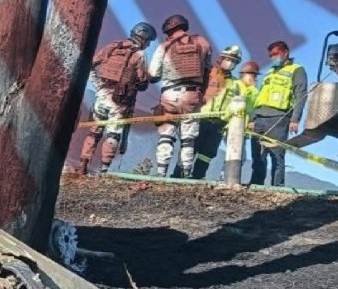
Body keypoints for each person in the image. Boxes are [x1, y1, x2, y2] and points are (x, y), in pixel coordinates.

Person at [78, 21, 155, 175]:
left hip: (101, 94)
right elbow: (142, 81)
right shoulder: (139, 54)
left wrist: (98, 84)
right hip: (120, 100)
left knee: (94, 130)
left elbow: (91, 64)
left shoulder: (113, 47)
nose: (148, 45)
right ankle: (104, 170)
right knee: (113, 134)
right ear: (143, 39)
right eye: (148, 42)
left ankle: (83, 164)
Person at [148, 13, 212, 179]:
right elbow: (207, 70)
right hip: (192, 95)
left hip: (170, 95)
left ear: (169, 30)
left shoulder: (164, 46)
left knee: (166, 136)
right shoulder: (202, 43)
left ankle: (161, 173)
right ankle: (185, 174)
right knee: (188, 139)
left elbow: (153, 74)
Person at [249, 40, 308, 187]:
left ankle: (277, 187)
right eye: (270, 55)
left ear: (285, 52)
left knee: (277, 156)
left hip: (279, 118)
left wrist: (295, 119)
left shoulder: (297, 69)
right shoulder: (270, 72)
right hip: (260, 118)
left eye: (275, 54)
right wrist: (252, 117)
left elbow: (301, 94)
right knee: (257, 156)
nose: (273, 58)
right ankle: (256, 185)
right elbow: (260, 96)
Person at [191, 44, 243, 179]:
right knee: (191, 148)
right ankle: (178, 175)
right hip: (201, 117)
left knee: (207, 153)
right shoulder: (207, 74)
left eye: (234, 61)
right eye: (229, 59)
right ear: (221, 58)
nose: (230, 62)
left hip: (219, 123)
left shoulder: (236, 84)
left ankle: (198, 177)